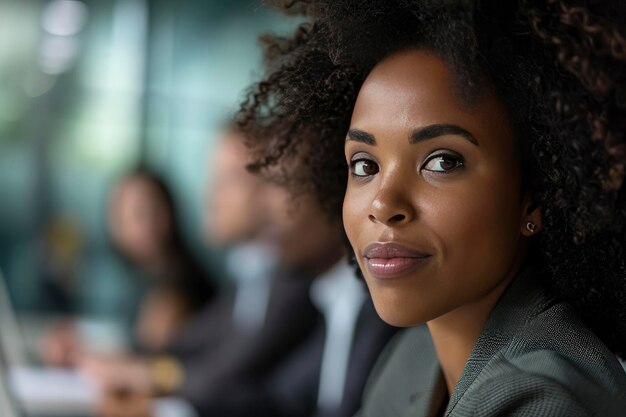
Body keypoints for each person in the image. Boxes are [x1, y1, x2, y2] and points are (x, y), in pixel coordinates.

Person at [236, 0, 626, 415]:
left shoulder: (549, 399)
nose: (383, 204)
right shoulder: (413, 356)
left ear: (535, 196)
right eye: (365, 165)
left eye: (442, 162)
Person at [41, 169, 216, 365]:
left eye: (140, 213)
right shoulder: (144, 276)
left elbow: (149, 364)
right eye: (120, 216)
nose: (128, 227)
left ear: (168, 213)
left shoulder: (177, 289)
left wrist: (79, 354)